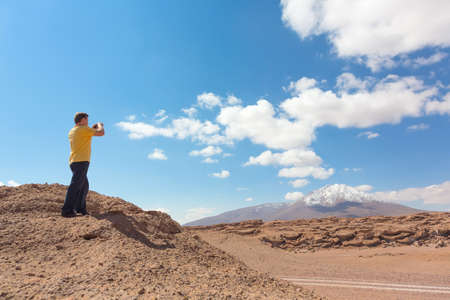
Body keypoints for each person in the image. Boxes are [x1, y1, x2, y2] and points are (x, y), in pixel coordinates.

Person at [61, 112, 105, 218]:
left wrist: (92, 128)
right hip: (82, 161)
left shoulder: (73, 130)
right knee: (75, 186)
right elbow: (101, 133)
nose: (88, 121)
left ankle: (80, 208)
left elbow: (88, 132)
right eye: (87, 119)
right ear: (83, 120)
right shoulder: (84, 129)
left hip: (74, 161)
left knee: (84, 185)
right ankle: (67, 210)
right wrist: (100, 125)